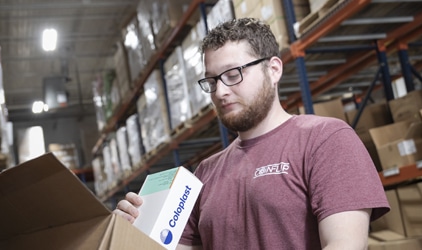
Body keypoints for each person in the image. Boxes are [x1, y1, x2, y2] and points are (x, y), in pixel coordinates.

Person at [114, 18, 389, 249]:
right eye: (212, 80)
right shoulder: (205, 173)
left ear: (273, 70)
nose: (220, 91)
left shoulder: (325, 140)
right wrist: (133, 231)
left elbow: (344, 245)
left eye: (233, 74)